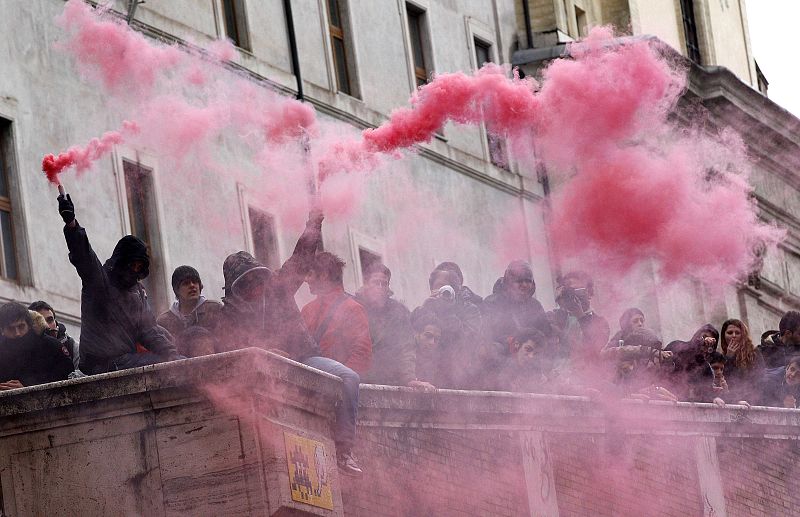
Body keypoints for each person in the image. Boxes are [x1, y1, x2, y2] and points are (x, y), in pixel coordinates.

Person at [216, 210, 363, 475]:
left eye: (255, 279)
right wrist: (264, 353)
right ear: (235, 287)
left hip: (304, 357)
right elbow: (229, 355)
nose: (254, 286)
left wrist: (314, 224)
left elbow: (302, 256)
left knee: (349, 378)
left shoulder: (279, 286)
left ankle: (344, 450)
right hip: (266, 378)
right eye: (246, 283)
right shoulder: (229, 315)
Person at [58, 192, 182, 374]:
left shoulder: (137, 293)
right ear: (121, 261)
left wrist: (172, 354)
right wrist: (71, 224)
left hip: (125, 360)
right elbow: (83, 255)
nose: (134, 271)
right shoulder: (99, 281)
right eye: (132, 265)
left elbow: (149, 330)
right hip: (100, 364)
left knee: (174, 364)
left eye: (139, 267)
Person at [354, 262, 432, 390]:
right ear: (366, 284)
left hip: (389, 381)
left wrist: (409, 378)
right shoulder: (354, 307)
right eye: (375, 282)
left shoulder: (398, 312)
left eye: (384, 283)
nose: (380, 287)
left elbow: (406, 347)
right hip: (359, 380)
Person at [301, 252, 372, 374]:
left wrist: (337, 384)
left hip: (335, 389)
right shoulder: (307, 309)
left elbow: (361, 354)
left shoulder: (352, 309)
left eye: (310, 274)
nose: (306, 279)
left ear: (324, 275)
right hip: (306, 387)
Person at [415, 265, 482, 388]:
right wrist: (426, 307)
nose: (443, 290)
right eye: (439, 285)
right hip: (428, 376)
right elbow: (415, 338)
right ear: (432, 288)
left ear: (456, 291)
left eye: (448, 287)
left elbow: (467, 342)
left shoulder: (471, 311)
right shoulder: (428, 306)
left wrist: (447, 311)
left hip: (458, 378)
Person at [0, 302, 74, 390]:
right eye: (11, 329)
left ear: (29, 325)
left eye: (21, 326)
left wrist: (29, 387)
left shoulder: (51, 346)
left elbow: (66, 375)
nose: (17, 333)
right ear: (2, 329)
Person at [157, 265, 222, 355]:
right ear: (177, 290)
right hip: (179, 368)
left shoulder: (214, 309)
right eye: (186, 283)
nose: (192, 286)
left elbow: (225, 342)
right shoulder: (164, 322)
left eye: (195, 282)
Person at [481, 261, 545, 349]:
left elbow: (546, 333)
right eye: (519, 281)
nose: (524, 285)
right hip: (502, 356)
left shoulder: (535, 306)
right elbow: (487, 337)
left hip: (533, 356)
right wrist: (512, 342)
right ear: (509, 282)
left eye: (528, 281)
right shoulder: (492, 303)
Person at [550, 271, 610, 365]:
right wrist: (561, 304)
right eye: (568, 292)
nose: (572, 296)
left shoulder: (600, 322)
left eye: (576, 290)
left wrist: (581, 316)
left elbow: (595, 347)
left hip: (587, 373)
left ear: (589, 293)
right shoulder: (554, 317)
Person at [663, 324, 719, 401]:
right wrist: (700, 343)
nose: (707, 342)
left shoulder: (706, 369)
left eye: (711, 343)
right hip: (665, 402)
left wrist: (715, 398)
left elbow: (706, 394)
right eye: (704, 337)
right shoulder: (676, 345)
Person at [719, 319, 764, 404]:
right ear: (724, 336)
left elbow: (759, 380)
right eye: (730, 333)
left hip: (753, 402)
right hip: (734, 402)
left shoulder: (754, 354)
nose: (734, 336)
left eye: (737, 333)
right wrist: (729, 358)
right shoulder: (721, 357)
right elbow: (727, 382)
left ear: (743, 335)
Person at [29, 300, 79, 369]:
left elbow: (84, 374)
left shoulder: (72, 346)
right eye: (41, 322)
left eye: (50, 320)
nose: (47, 326)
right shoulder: (26, 348)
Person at [410, 307, 443, 389]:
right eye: (428, 336)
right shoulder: (402, 354)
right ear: (416, 333)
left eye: (437, 339)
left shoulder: (439, 361)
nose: (432, 342)